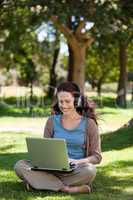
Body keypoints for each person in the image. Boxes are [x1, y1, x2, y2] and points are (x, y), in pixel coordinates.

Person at [14, 81, 102, 193]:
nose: (64, 105)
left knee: (90, 171)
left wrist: (77, 161)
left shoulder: (89, 124)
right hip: (52, 169)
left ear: (76, 101)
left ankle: (39, 183)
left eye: (67, 101)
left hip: (76, 169)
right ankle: (66, 189)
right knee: (19, 165)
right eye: (61, 101)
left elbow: (96, 157)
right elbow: (45, 149)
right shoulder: (52, 121)